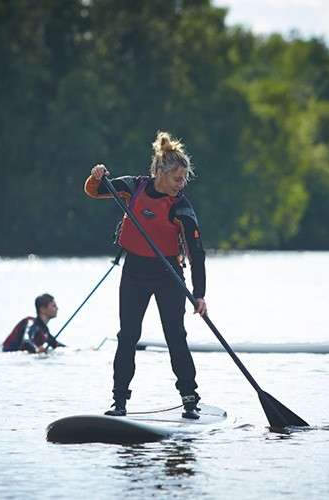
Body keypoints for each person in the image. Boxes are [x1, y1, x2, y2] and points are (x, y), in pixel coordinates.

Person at [84, 130, 207, 420]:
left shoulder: (182, 207)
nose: (182, 184)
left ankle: (189, 400)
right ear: (161, 173)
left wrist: (199, 294)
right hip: (135, 272)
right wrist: (97, 175)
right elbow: (94, 190)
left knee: (175, 336)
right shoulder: (132, 186)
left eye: (185, 179)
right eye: (178, 178)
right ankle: (119, 402)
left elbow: (197, 253)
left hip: (169, 275)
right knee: (127, 336)